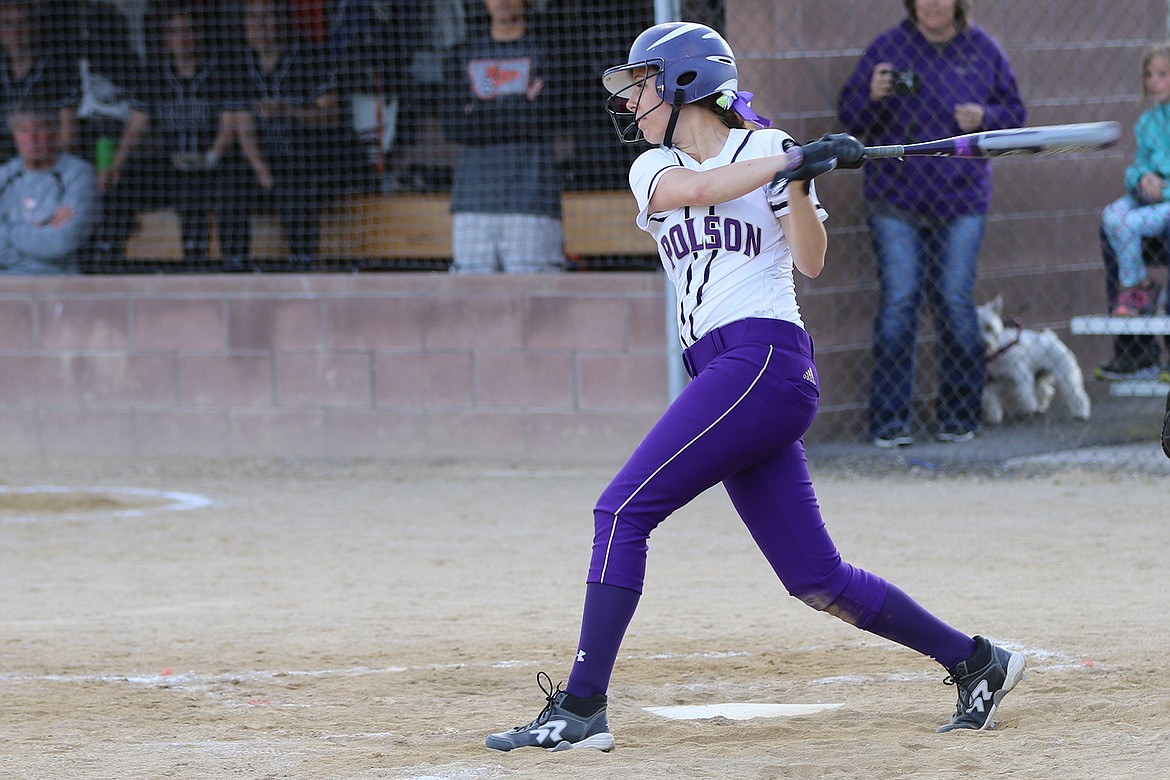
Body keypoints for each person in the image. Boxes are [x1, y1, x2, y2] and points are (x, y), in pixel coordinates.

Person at [484, 22, 1025, 753]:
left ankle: (580, 710)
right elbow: (703, 188)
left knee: (619, 513)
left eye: (641, 84)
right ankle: (976, 660)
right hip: (724, 376)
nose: (631, 101)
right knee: (814, 577)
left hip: (764, 361)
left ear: (682, 83)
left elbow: (812, 261)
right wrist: (792, 160)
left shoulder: (767, 152)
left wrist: (798, 182)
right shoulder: (657, 168)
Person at [837, 0, 1026, 447]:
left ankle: (960, 417)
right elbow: (851, 118)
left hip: (962, 200)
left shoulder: (983, 50)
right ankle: (889, 423)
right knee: (900, 303)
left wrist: (987, 119)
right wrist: (873, 96)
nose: (931, 4)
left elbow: (1015, 116)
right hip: (895, 200)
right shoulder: (889, 46)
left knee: (954, 301)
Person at [99, 4, 235, 265]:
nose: (182, 38)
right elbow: (137, 126)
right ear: (166, 38)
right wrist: (116, 164)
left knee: (209, 186)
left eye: (188, 31)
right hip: (170, 166)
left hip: (213, 164)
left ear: (200, 35)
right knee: (119, 181)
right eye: (175, 32)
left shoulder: (220, 72)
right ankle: (110, 258)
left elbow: (230, 125)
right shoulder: (155, 75)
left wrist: (209, 158)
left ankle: (212, 262)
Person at [441, 0, 563, 274]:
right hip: (472, 202)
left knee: (534, 303)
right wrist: (522, 106)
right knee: (471, 303)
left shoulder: (551, 51)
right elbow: (453, 126)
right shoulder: (462, 53)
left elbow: (550, 117)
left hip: (532, 201)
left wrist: (480, 112)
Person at [231, 0, 339, 269]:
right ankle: (235, 267)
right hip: (258, 165)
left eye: (267, 17)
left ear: (282, 21)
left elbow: (331, 115)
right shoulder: (238, 65)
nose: (260, 26)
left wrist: (287, 111)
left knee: (294, 185)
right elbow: (242, 126)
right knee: (227, 186)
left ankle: (302, 264)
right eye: (253, 18)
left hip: (306, 161)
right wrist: (260, 168)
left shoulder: (310, 57)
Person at [1100, 42, 1170, 317]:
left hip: (1166, 200)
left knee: (1130, 223)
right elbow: (1138, 167)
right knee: (1112, 216)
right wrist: (1143, 178)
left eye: (1163, 74)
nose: (1154, 82)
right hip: (1149, 196)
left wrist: (1160, 186)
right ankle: (1142, 284)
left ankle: (1131, 293)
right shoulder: (1146, 122)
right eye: (1148, 75)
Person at [0, 103, 96, 274]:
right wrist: (45, 225)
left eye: (40, 129)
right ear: (13, 135)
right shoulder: (4, 176)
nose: (32, 139)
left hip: (56, 279)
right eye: (23, 130)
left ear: (55, 132)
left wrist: (8, 231)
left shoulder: (78, 175)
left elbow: (62, 242)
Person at [1, 0, 80, 161]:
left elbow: (68, 137)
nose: (16, 32)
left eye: (22, 23)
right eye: (8, 24)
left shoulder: (57, 68)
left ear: (34, 26)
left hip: (46, 163)